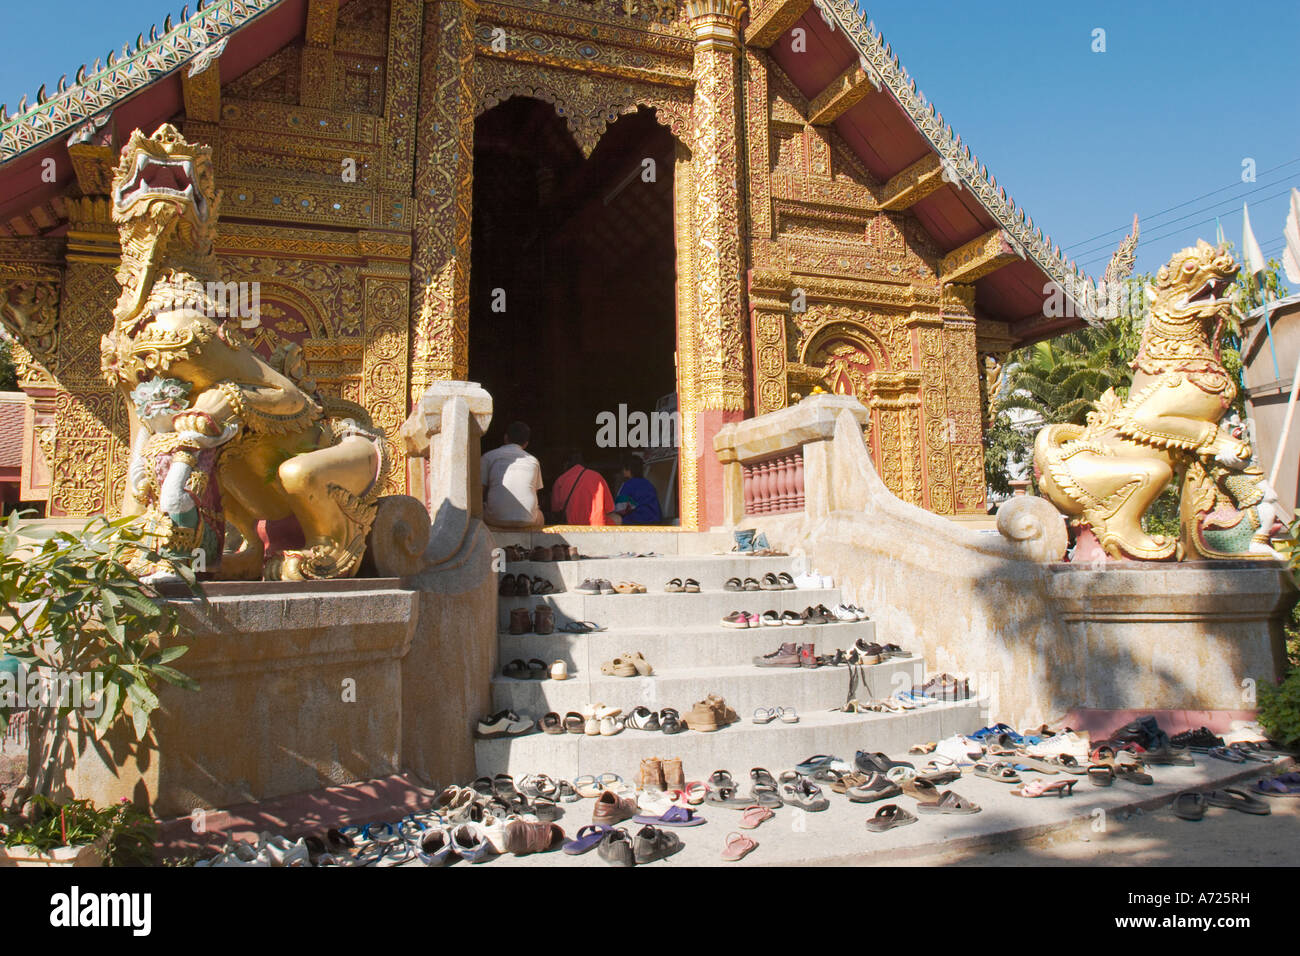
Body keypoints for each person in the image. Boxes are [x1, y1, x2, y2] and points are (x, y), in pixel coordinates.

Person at [481, 421, 544, 528]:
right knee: (540, 516)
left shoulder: (488, 457)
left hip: (494, 519)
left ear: (505, 438)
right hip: (528, 520)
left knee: (477, 511)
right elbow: (534, 491)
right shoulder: (533, 461)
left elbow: (479, 491)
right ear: (526, 444)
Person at [549, 449, 616, 526]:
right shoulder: (597, 477)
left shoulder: (560, 481)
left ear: (566, 464)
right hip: (598, 528)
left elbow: (555, 509)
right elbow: (609, 509)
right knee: (617, 518)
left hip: (570, 530)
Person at [613, 454, 662, 525]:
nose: (622, 471)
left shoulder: (628, 484)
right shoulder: (648, 483)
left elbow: (620, 508)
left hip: (637, 520)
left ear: (628, 469)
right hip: (655, 520)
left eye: (623, 469)